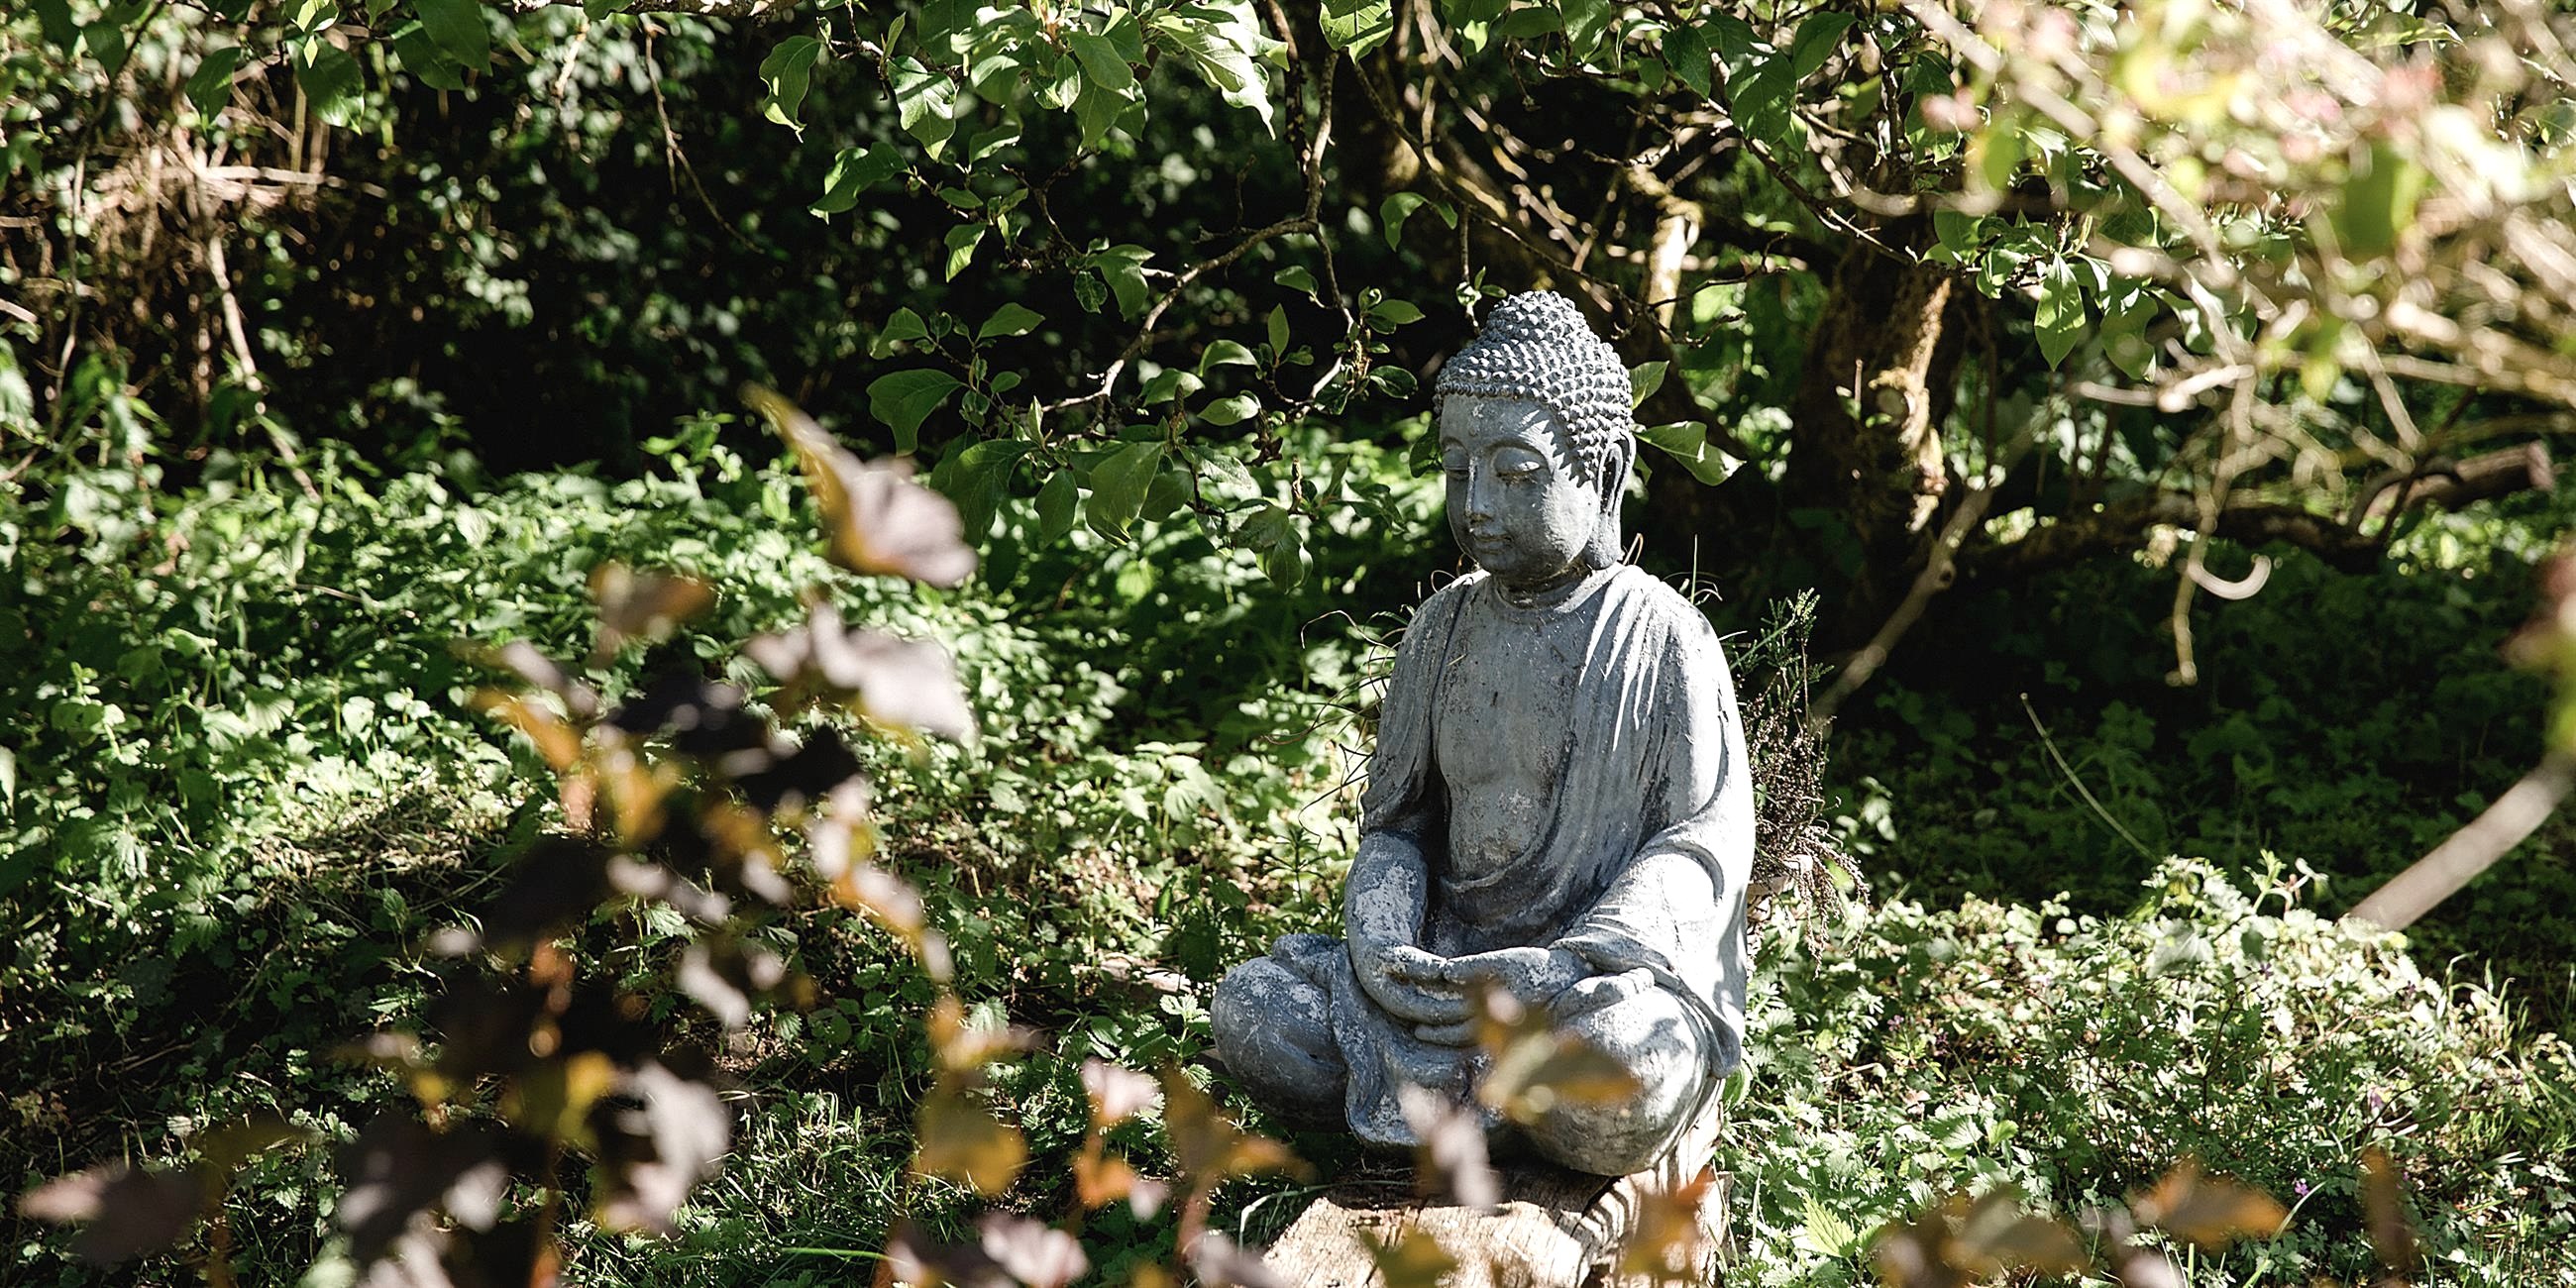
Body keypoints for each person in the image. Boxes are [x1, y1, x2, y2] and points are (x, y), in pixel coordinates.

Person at [1211, 291, 1754, 1177]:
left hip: (1581, 987)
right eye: (1458, 470)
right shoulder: (1442, 628)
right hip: (1445, 979)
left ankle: (1500, 1113)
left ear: (1605, 472)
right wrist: (1381, 943)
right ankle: (1494, 1116)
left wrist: (1569, 964)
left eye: (1516, 472)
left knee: (1622, 1068)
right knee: (1255, 1012)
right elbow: (1399, 826)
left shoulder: (1662, 635)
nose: (1478, 505)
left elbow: (1700, 846)